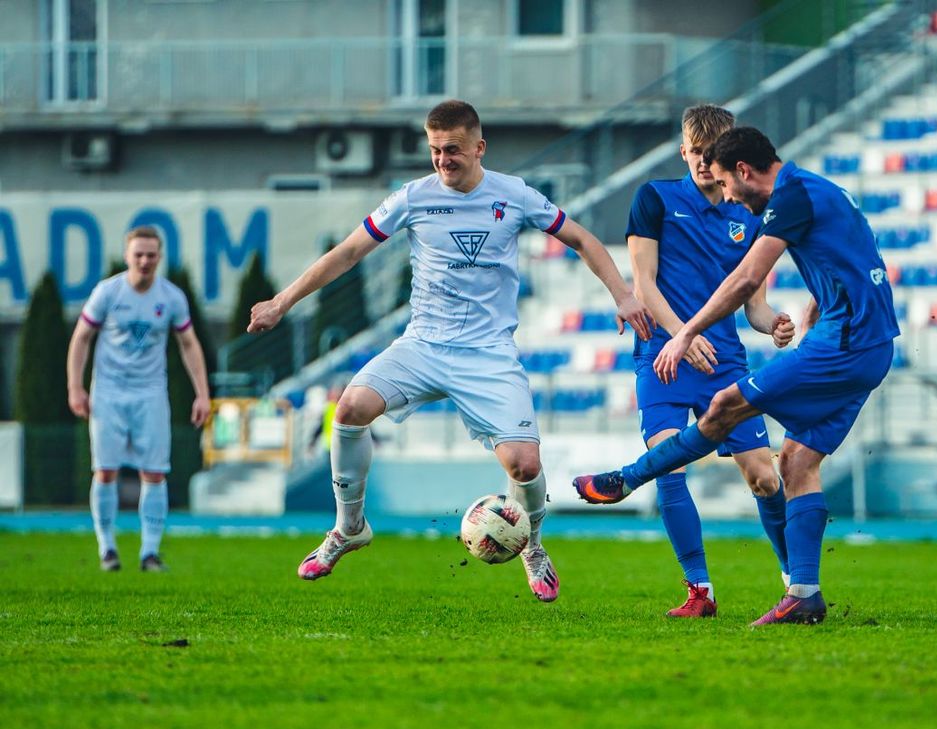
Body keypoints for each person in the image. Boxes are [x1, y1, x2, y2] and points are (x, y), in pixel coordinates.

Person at [247, 100, 653, 602]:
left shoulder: (515, 195)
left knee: (524, 466)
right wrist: (283, 301)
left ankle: (533, 545)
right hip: (423, 344)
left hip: (488, 353)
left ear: (479, 148)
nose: (443, 160)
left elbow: (583, 239)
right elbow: (350, 251)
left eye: (453, 150)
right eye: (436, 150)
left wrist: (624, 294)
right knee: (349, 410)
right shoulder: (413, 198)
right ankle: (349, 527)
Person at [574, 127, 899, 626]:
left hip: (843, 342)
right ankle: (804, 594)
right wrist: (820, 304)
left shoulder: (789, 196)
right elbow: (852, 253)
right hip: (864, 341)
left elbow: (748, 280)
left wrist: (685, 334)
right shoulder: (816, 188)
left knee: (728, 407)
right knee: (795, 462)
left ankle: (627, 480)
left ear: (744, 172)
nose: (724, 194)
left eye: (726, 182)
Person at [624, 105, 794, 618]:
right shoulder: (653, 199)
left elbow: (754, 304)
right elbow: (644, 285)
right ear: (683, 151)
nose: (702, 162)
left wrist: (774, 324)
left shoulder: (749, 211)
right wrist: (682, 336)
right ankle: (700, 591)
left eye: (711, 153)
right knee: (668, 469)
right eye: (694, 152)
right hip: (663, 358)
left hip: (723, 362)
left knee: (765, 478)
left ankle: (796, 582)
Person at [67, 226, 212, 572]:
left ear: (159, 257)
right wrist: (76, 387)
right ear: (128, 255)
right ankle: (107, 549)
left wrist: (202, 394)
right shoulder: (108, 292)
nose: (145, 261)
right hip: (109, 392)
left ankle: (149, 552)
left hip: (150, 393)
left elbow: (189, 344)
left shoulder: (171, 297)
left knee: (155, 473)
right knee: (104, 471)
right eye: (138, 254)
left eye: (151, 255)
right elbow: (81, 338)